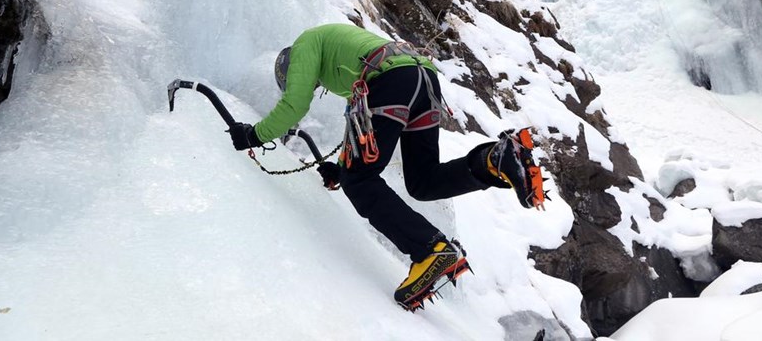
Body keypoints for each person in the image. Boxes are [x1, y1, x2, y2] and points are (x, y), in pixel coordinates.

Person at [226, 23, 546, 311]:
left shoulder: (305, 45)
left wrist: (253, 135)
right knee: (423, 181)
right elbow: (359, 124)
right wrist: (341, 168)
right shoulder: (341, 57)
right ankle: (495, 159)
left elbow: (294, 106)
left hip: (394, 80)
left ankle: (429, 250)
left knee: (360, 181)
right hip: (422, 80)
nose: (311, 86)